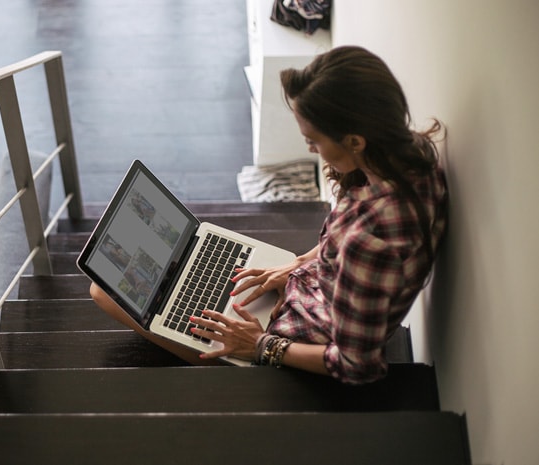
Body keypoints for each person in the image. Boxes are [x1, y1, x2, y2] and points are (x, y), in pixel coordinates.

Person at [89, 45, 448, 384]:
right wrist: (300, 265)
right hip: (310, 294)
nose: (310, 148)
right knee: (192, 275)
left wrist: (259, 345)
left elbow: (356, 365)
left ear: (355, 141)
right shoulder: (413, 156)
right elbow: (343, 257)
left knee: (104, 292)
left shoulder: (365, 241)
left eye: (314, 139)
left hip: (296, 341)